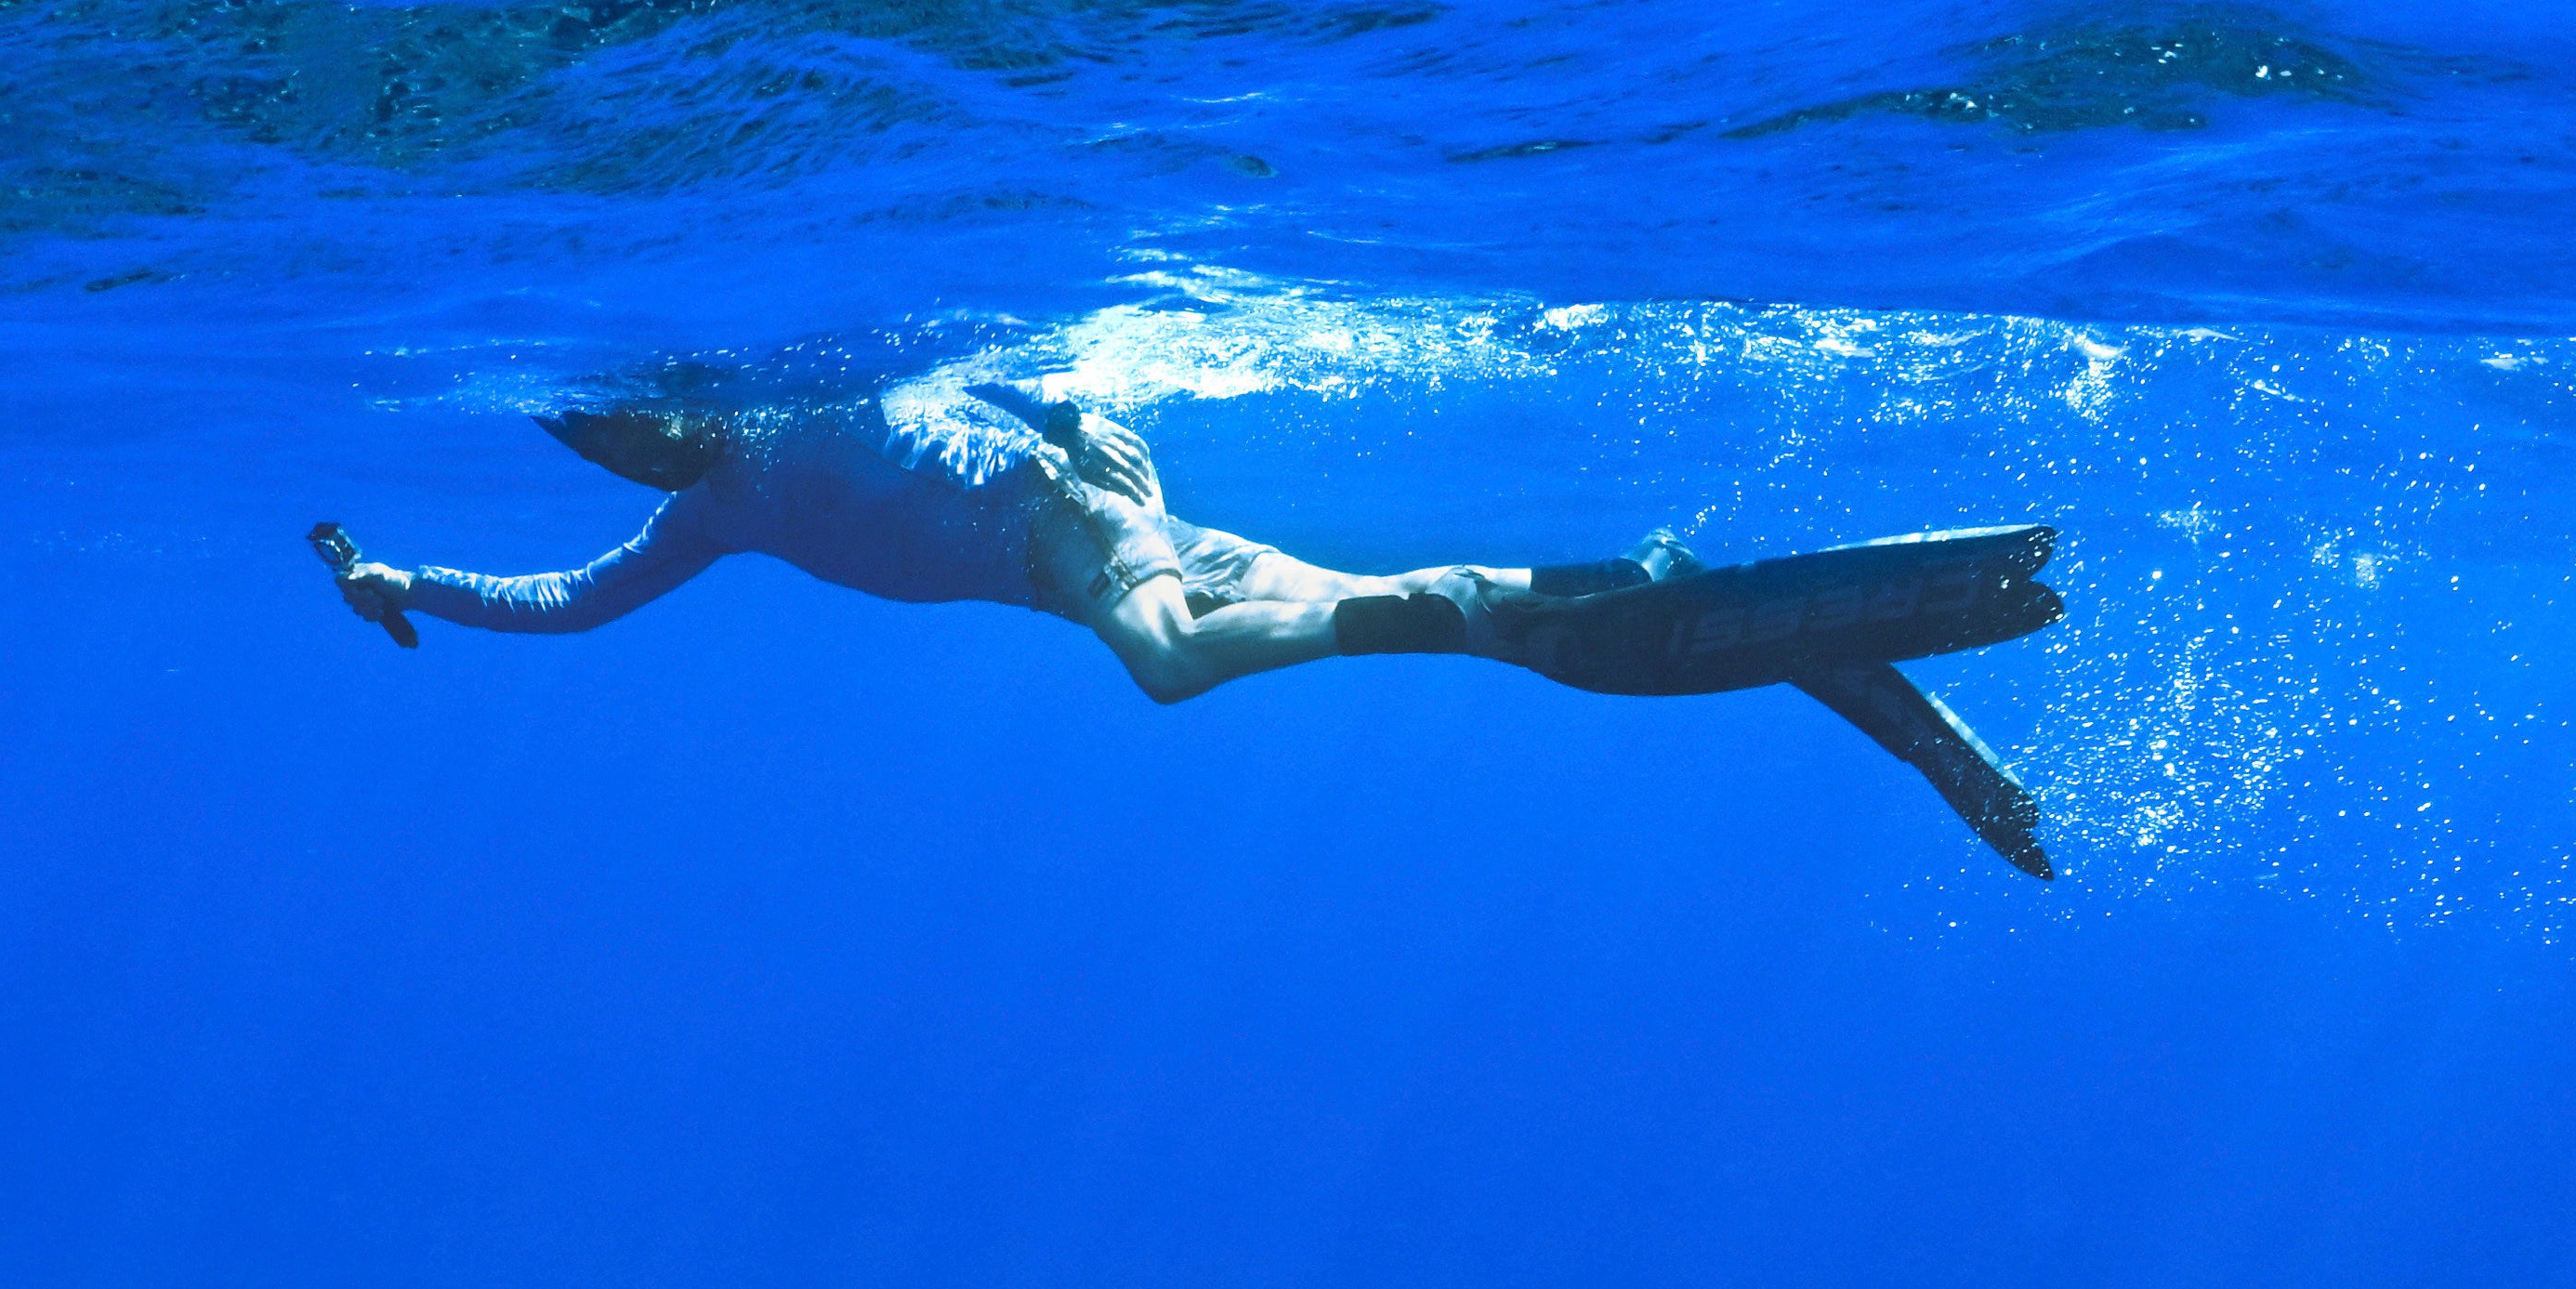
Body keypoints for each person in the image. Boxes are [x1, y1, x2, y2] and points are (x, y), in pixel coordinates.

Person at [309, 379, 2062, 875]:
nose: (631, 446)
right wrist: (411, 587)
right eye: (602, 444)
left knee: (1165, 672)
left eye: (628, 419)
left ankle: (1477, 610)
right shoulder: (715, 510)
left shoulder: (826, 386)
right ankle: (1661, 595)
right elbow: (571, 603)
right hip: (1128, 551)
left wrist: (1079, 427)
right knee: (1267, 625)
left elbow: (1029, 361)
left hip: (1097, 541)